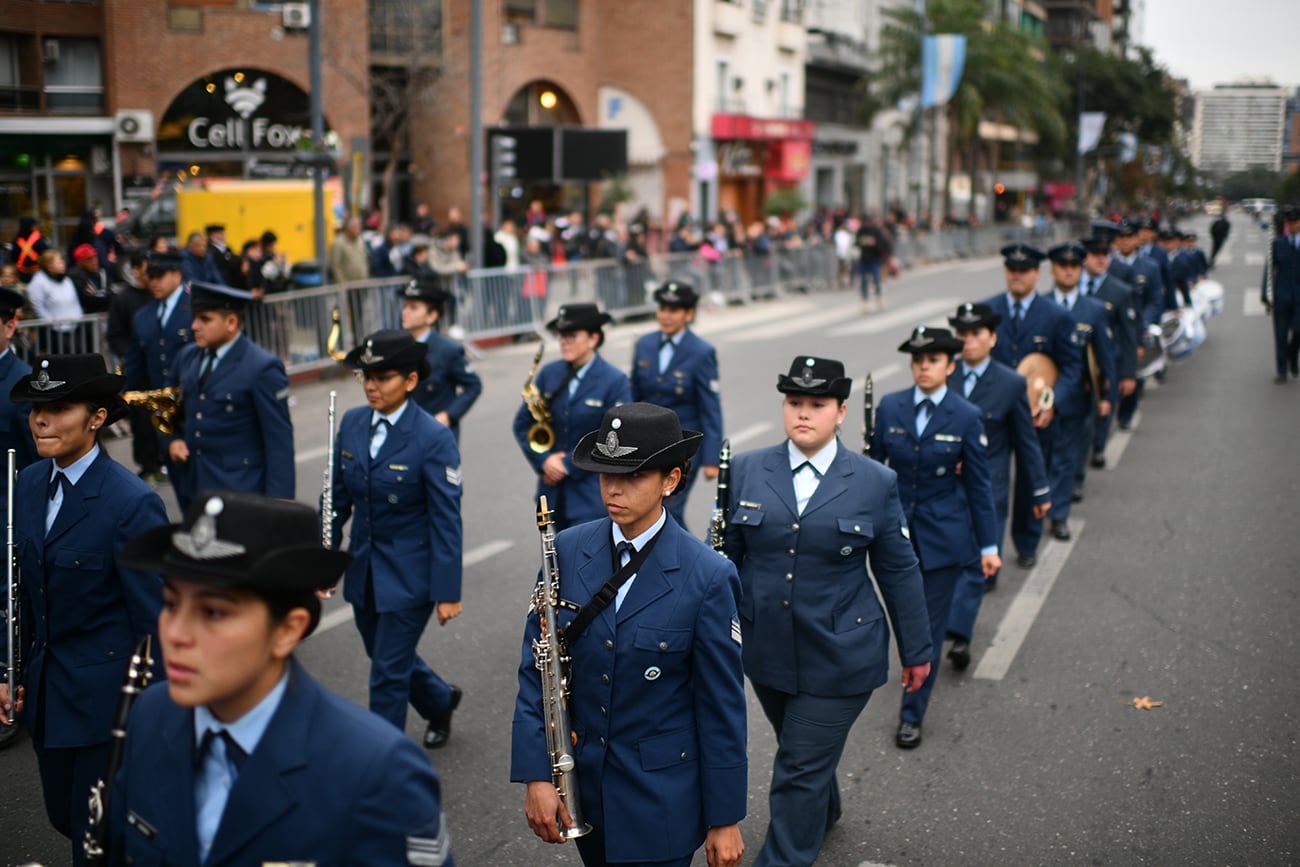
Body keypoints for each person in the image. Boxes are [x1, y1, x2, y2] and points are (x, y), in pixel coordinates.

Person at [112, 491, 454, 866]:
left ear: (288, 630)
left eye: (212, 612)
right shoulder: (151, 714)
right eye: (171, 603)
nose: (176, 633)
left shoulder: (377, 771)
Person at [511, 402, 747, 867]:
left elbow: (721, 707)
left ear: (671, 481)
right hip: (585, 793)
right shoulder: (566, 548)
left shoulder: (708, 575)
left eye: (634, 476)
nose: (613, 489)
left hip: (662, 800)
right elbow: (537, 670)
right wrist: (536, 775)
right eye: (604, 474)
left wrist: (726, 818)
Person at [724, 356, 931, 867]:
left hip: (843, 652)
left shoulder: (874, 480)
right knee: (800, 746)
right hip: (767, 647)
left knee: (796, 764)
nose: (803, 414)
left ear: (841, 412)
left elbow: (898, 570)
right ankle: (824, 808)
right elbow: (724, 561)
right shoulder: (747, 469)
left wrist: (917, 652)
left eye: (817, 405)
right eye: (795, 402)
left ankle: (785, 856)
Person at [1, 353, 167, 865]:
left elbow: (155, 623)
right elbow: (17, 592)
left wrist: (160, 718)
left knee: (93, 838)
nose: (40, 419)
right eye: (35, 408)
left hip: (107, 705)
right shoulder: (27, 482)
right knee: (62, 816)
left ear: (97, 417)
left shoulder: (132, 503)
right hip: (48, 695)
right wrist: (6, 669)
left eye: (59, 407)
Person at [325, 330, 466, 747]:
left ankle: (381, 763)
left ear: (409, 381)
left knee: (386, 672)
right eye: (365, 376)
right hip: (365, 568)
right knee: (385, 655)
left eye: (382, 377)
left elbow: (446, 519)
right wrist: (323, 557)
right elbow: (335, 498)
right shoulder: (351, 423)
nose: (371, 385)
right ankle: (439, 700)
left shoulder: (433, 437)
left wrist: (447, 590)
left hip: (412, 575)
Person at [872, 328, 999, 747]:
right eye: (918, 360)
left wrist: (988, 546)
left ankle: (912, 713)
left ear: (950, 365)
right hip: (895, 537)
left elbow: (980, 487)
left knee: (926, 625)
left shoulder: (966, 416)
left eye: (933, 360)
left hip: (943, 539)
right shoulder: (891, 407)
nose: (924, 366)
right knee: (895, 620)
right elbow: (873, 474)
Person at [943, 303, 1049, 668]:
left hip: (989, 488)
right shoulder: (944, 377)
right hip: (943, 488)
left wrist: (1039, 490)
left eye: (976, 334)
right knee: (946, 561)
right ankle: (947, 621)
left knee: (974, 561)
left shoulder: (1010, 382)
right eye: (962, 334)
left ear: (992, 338)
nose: (968, 341)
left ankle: (959, 635)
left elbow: (1026, 441)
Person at [981, 243, 1083, 568]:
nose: (1017, 275)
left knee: (1030, 480)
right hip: (993, 416)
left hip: (1036, 414)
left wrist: (1053, 402)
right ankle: (989, 550)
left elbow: (1072, 368)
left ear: (1038, 273)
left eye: (1024, 270)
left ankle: (1027, 543)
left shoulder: (1056, 316)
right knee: (990, 484)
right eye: (1012, 269)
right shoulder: (988, 310)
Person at [164, 281, 294, 511]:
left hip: (240, 489)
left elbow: (278, 438)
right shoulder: (187, 357)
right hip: (195, 484)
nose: (194, 326)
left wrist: (279, 501)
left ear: (231, 322)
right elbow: (168, 407)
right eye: (194, 318)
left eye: (205, 319)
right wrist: (173, 439)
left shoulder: (261, 367)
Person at [513, 303, 631, 530]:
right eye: (561, 336)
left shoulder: (614, 380)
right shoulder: (549, 374)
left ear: (593, 338)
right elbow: (522, 424)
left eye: (572, 336)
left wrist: (567, 465)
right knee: (557, 560)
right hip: (552, 493)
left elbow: (614, 437)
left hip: (590, 493)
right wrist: (544, 460)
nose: (564, 342)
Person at [629, 281, 723, 531]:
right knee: (649, 509)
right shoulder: (644, 344)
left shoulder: (701, 351)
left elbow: (710, 407)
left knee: (669, 508)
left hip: (683, 447)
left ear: (688, 314)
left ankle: (692, 563)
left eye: (674, 310)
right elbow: (634, 395)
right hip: (647, 445)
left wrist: (712, 458)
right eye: (662, 308)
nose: (666, 316)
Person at [1043, 243, 1116, 540]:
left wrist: (1107, 398)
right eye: (1062, 265)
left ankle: (1059, 515)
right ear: (1053, 270)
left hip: (1076, 401)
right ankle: (1041, 506)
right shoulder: (1041, 304)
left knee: (1065, 459)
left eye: (1074, 265)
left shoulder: (1093, 310)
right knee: (1042, 459)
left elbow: (1104, 356)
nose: (1069, 270)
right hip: (1039, 400)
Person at [123, 250, 193, 480]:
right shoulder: (143, 315)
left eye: (159, 276)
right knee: (177, 473)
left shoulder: (196, 310)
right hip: (161, 408)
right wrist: (124, 396)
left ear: (177, 275)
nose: (153, 282)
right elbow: (134, 361)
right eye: (149, 277)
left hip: (192, 403)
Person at [1079, 237, 1138, 477]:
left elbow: (1128, 334)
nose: (1102, 259)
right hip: (1078, 361)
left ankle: (1099, 447)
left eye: (1105, 254)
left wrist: (1128, 373)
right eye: (1095, 255)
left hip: (1108, 361)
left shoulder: (1120, 291)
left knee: (1104, 405)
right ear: (1085, 258)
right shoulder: (1075, 288)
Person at [398, 276, 482, 438]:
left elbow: (473, 385)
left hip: (436, 435)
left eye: (413, 308)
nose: (405, 312)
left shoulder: (448, 350)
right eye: (405, 306)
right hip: (405, 434)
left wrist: (448, 415)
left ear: (432, 316)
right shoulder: (398, 346)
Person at [1263, 205, 1300, 383]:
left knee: (1298, 331)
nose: (1292, 226)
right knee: (1280, 334)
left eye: (1295, 222)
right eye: (1289, 223)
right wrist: (1267, 297)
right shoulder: (1277, 244)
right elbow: (1269, 272)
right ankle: (1282, 371)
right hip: (1281, 295)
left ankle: (1293, 356)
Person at [67, 243, 112, 314]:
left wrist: (101, 294)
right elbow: (90, 300)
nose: (94, 261)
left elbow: (110, 292)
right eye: (89, 259)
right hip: (88, 317)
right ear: (80, 263)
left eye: (95, 257)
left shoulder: (102, 272)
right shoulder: (76, 276)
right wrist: (107, 295)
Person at [328, 215, 369, 283]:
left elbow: (364, 259)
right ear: (348, 228)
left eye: (359, 226)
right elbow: (335, 265)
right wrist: (342, 282)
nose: (359, 229)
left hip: (362, 283)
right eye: (356, 227)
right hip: (347, 285)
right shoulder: (338, 242)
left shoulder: (360, 240)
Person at [206, 223, 244, 288]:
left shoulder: (227, 248)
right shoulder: (210, 250)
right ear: (212, 235)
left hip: (232, 281)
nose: (224, 235)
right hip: (221, 282)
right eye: (220, 233)